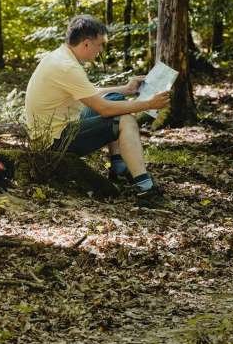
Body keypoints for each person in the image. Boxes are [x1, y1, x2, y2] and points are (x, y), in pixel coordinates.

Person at [24, 15, 171, 207]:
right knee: (124, 119)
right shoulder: (67, 67)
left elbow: (92, 94)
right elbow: (103, 108)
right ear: (86, 44)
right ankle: (146, 188)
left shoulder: (61, 57)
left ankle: (118, 166)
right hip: (53, 142)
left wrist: (126, 89)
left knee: (116, 99)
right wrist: (148, 104)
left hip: (56, 129)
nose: (101, 50)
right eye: (99, 44)